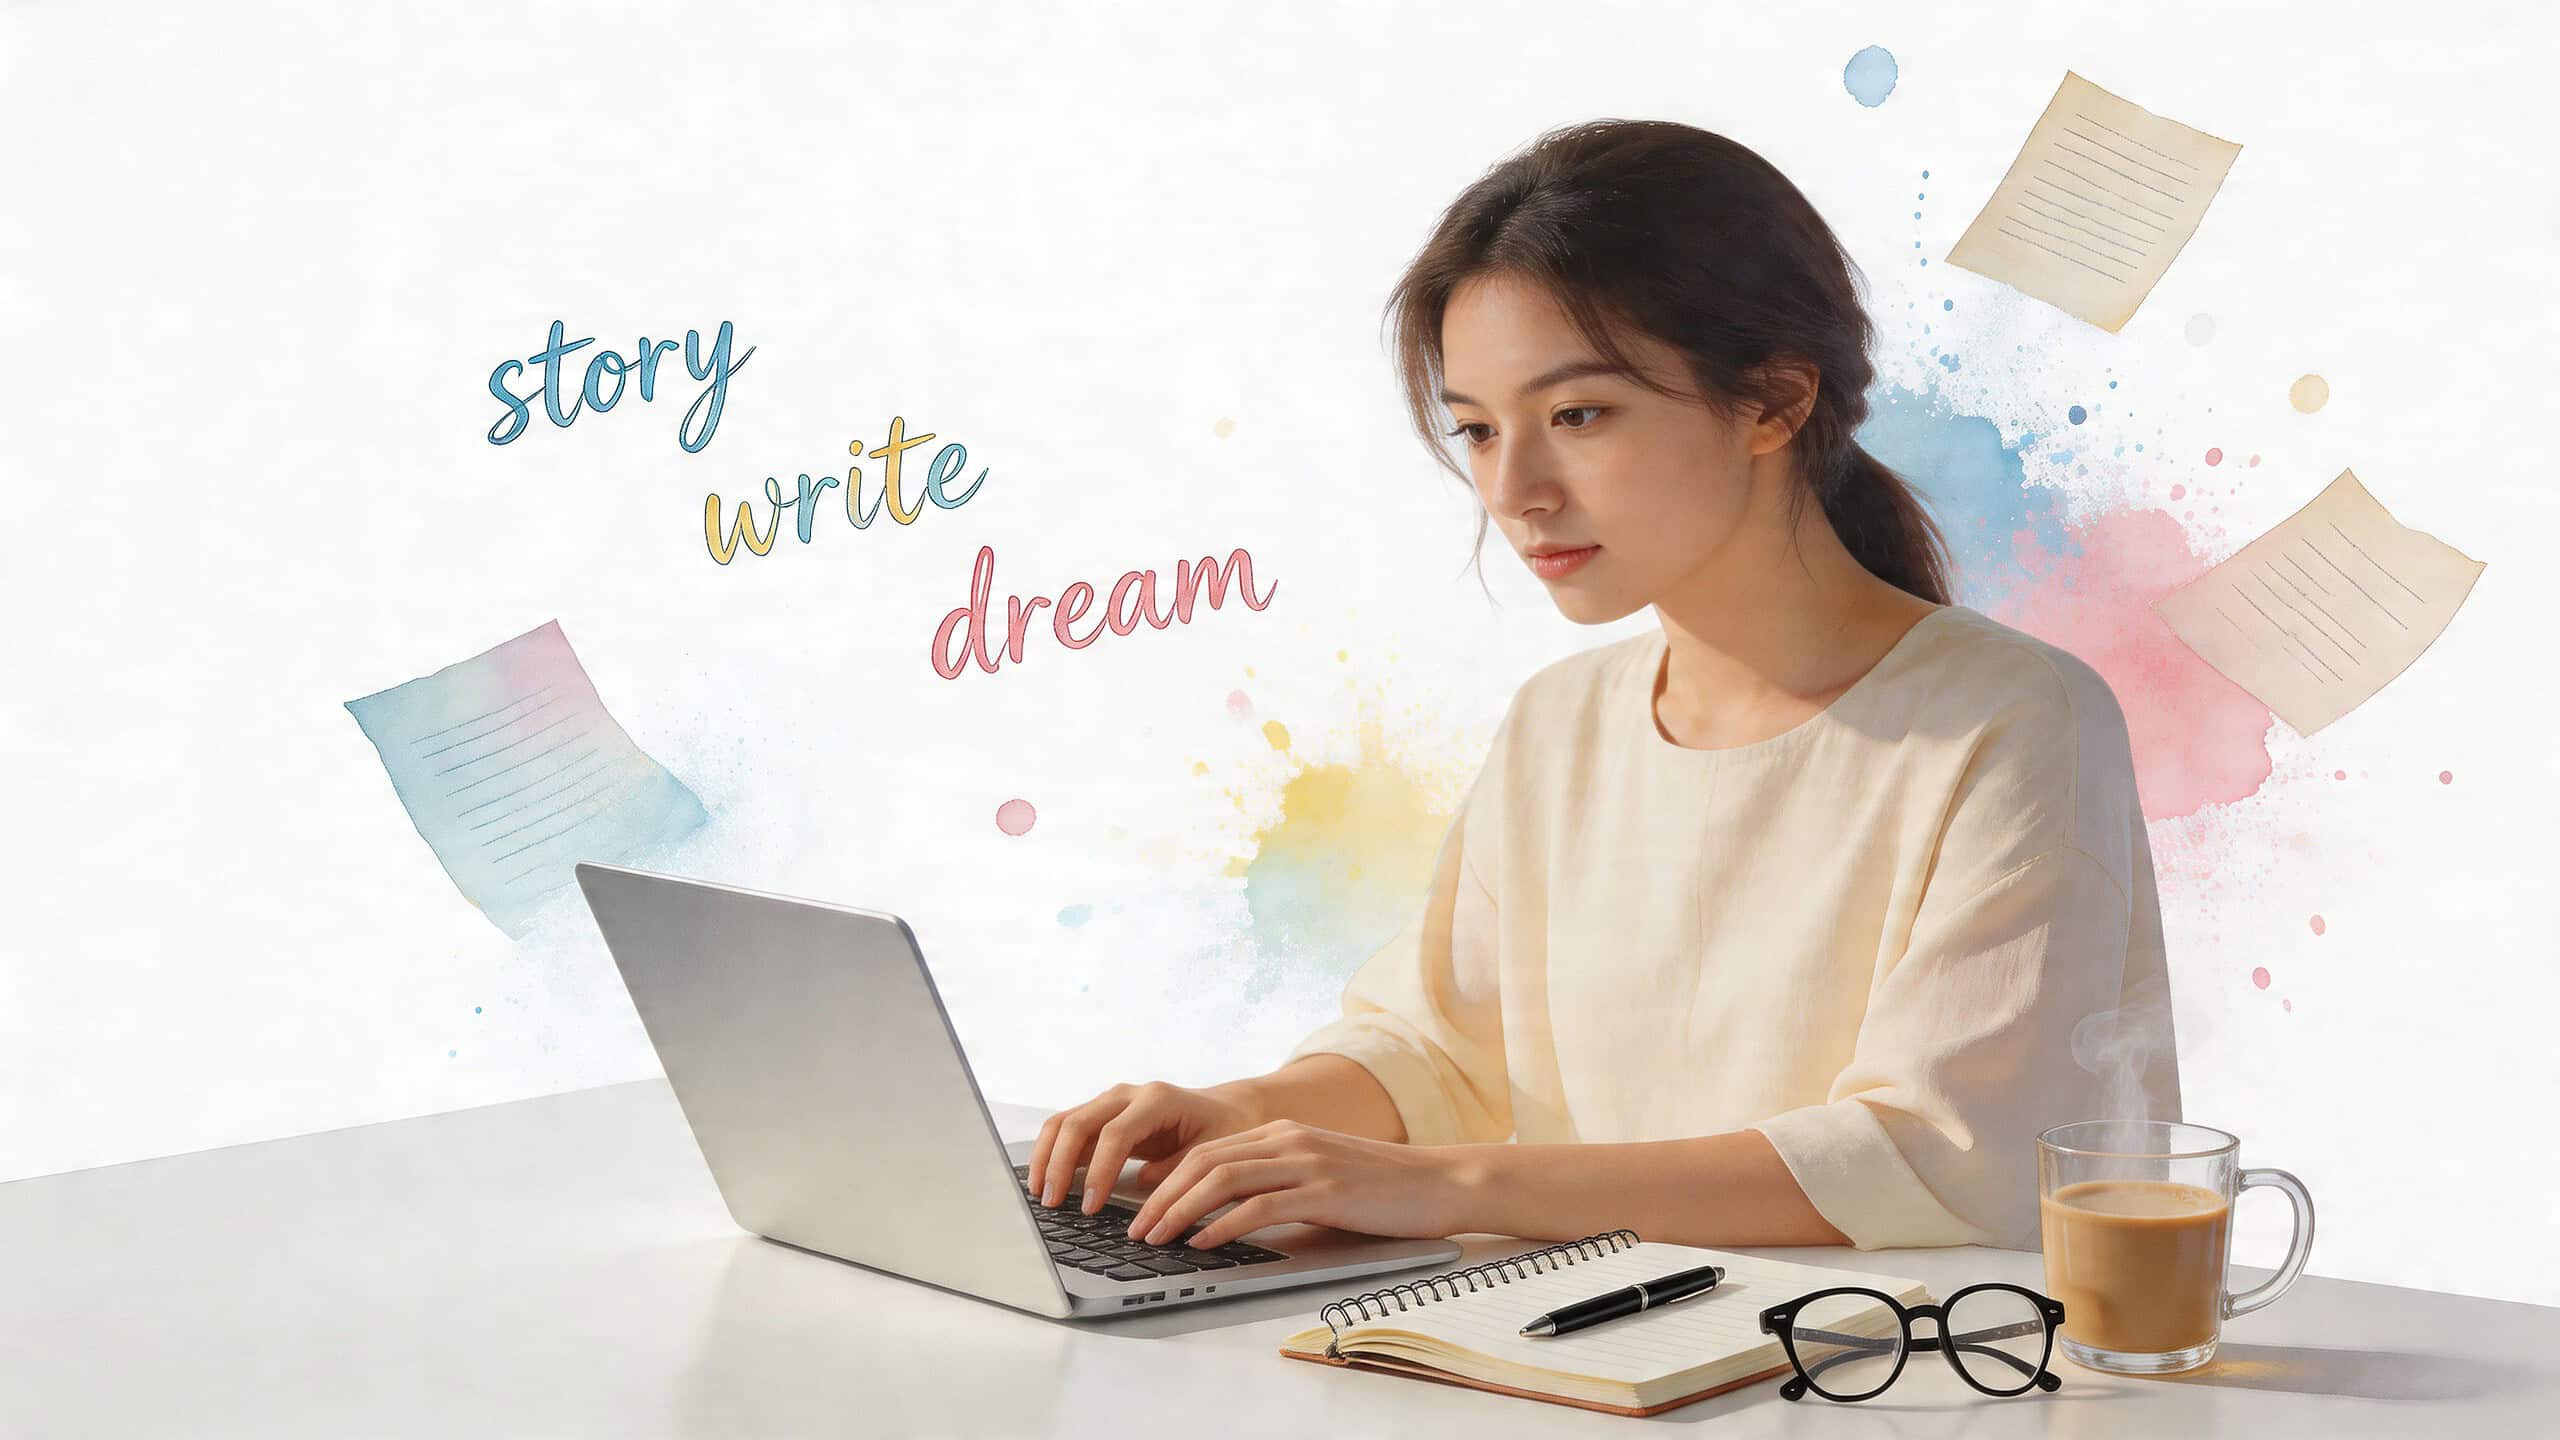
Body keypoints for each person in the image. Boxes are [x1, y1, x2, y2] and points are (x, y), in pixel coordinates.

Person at [1028, 118, 2181, 1257]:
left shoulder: (2014, 722)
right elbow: (1437, 1049)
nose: (1515, 489)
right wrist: (1246, 1112)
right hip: (1577, 1356)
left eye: (1576, 415)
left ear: (1774, 402)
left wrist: (1448, 1186)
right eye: (1477, 430)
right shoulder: (1561, 726)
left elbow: (1931, 1152)